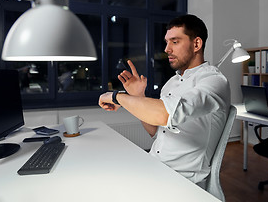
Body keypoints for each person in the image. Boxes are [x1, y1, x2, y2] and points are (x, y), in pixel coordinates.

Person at [98, 14, 231, 184]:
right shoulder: (172, 83)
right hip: (155, 165)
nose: (167, 49)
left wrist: (117, 97)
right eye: (167, 42)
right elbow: (155, 131)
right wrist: (138, 97)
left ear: (196, 43)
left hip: (183, 179)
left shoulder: (213, 81)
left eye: (175, 42)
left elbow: (165, 114)